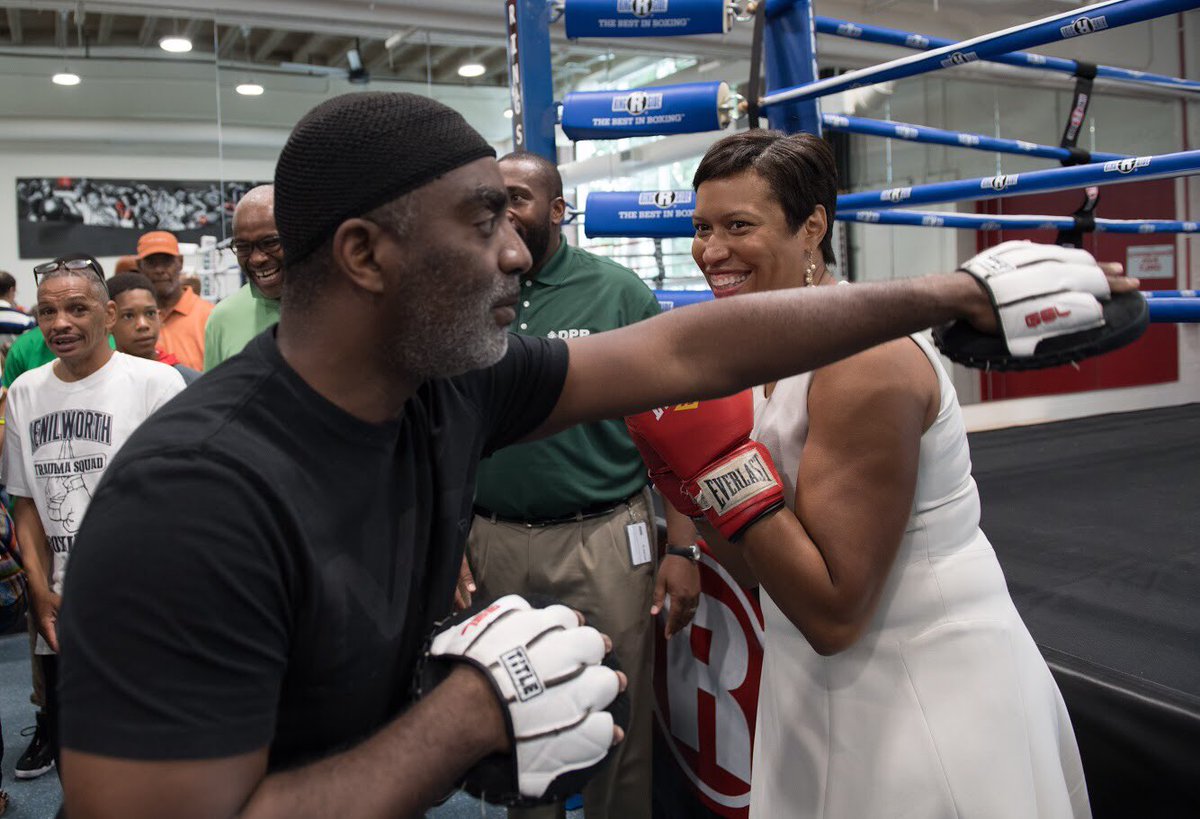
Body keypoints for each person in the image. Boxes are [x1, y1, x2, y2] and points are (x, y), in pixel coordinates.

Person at [55, 93, 1130, 819]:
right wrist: (465, 715)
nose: (519, 249)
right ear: (363, 255)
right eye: (484, 222)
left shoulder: (446, 388)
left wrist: (957, 292)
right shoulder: (195, 498)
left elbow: (675, 346)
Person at [628, 130, 1093, 819]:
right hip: (808, 672)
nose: (710, 250)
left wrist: (719, 470)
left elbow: (835, 610)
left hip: (917, 680)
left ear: (813, 225)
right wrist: (683, 482)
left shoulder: (862, 362)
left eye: (737, 226)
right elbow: (760, 568)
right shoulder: (762, 346)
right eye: (701, 227)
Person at [466, 152, 699, 819]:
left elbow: (675, 431)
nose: (504, 212)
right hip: (497, 540)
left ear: (558, 210)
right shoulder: (467, 294)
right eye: (491, 199)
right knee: (516, 719)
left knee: (616, 711)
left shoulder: (618, 293)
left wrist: (682, 548)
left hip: (604, 537)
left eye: (518, 197)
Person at [1, 258, 184, 784]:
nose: (61, 322)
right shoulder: (26, 394)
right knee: (82, 754)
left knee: (155, 749)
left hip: (144, 601)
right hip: (61, 603)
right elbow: (26, 503)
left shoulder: (156, 382)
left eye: (77, 309)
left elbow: (182, 500)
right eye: (48, 311)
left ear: (107, 315)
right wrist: (38, 592)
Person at [203, 185, 283, 370]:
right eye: (243, 247)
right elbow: (218, 396)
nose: (256, 258)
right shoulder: (222, 318)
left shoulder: (342, 305)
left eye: (270, 243)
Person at [136, 230, 213, 370]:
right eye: (151, 263)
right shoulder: (133, 320)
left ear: (181, 262)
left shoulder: (209, 316)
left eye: (167, 261)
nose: (159, 270)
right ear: (139, 266)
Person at [106, 273, 202, 385]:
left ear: (160, 317)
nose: (143, 325)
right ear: (109, 321)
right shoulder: (100, 381)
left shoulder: (188, 381)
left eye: (150, 313)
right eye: (129, 316)